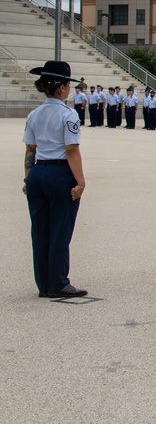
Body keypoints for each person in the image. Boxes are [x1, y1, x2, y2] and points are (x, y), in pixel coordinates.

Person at [22, 61, 88, 298]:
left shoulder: (34, 114)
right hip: (59, 173)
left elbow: (30, 149)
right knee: (60, 230)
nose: (69, 88)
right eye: (67, 84)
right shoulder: (68, 114)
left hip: (38, 173)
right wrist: (80, 182)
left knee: (40, 231)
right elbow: (71, 150)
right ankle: (58, 282)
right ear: (60, 88)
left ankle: (44, 284)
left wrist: (28, 178)